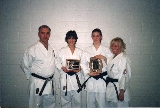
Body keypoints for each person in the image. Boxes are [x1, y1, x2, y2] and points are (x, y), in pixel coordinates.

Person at [20, 25, 55, 108]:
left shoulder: (52, 48)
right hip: (37, 82)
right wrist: (32, 77)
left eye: (47, 33)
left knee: (50, 105)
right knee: (36, 105)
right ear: (38, 34)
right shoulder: (32, 49)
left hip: (49, 82)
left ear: (49, 35)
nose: (45, 36)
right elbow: (24, 64)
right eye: (43, 33)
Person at [80, 28, 113, 108]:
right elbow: (82, 63)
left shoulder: (106, 50)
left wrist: (104, 58)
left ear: (101, 37)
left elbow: (112, 64)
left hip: (102, 80)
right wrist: (88, 72)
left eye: (97, 36)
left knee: (102, 104)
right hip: (91, 79)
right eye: (94, 36)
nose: (96, 38)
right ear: (91, 37)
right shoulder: (87, 50)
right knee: (90, 104)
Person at [55, 30, 83, 108]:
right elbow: (56, 61)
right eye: (69, 38)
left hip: (76, 79)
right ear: (66, 39)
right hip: (65, 78)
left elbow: (84, 63)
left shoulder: (80, 51)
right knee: (65, 102)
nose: (71, 40)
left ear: (76, 39)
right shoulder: (62, 51)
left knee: (77, 102)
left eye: (73, 38)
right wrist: (62, 67)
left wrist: (80, 68)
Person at [106, 37, 131, 107]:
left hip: (119, 88)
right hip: (112, 87)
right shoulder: (112, 58)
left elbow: (124, 76)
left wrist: (122, 91)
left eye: (116, 46)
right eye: (112, 45)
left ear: (121, 47)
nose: (113, 47)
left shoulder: (123, 58)